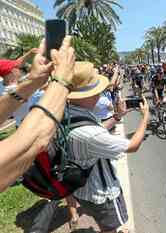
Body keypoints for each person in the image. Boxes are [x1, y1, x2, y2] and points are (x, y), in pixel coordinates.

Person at [56, 61, 149, 233]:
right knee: (109, 227)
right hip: (102, 193)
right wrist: (145, 118)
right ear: (88, 95)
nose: (100, 93)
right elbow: (133, 145)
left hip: (81, 188)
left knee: (101, 221)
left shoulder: (68, 114)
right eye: (96, 90)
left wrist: (117, 116)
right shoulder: (90, 133)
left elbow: (96, 130)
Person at [0, 36, 76, 191]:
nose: (19, 69)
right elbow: (39, 138)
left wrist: (34, 81)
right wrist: (62, 80)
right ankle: (55, 186)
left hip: (22, 124)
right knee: (48, 163)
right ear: (10, 72)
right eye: (16, 68)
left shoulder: (4, 87)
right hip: (33, 126)